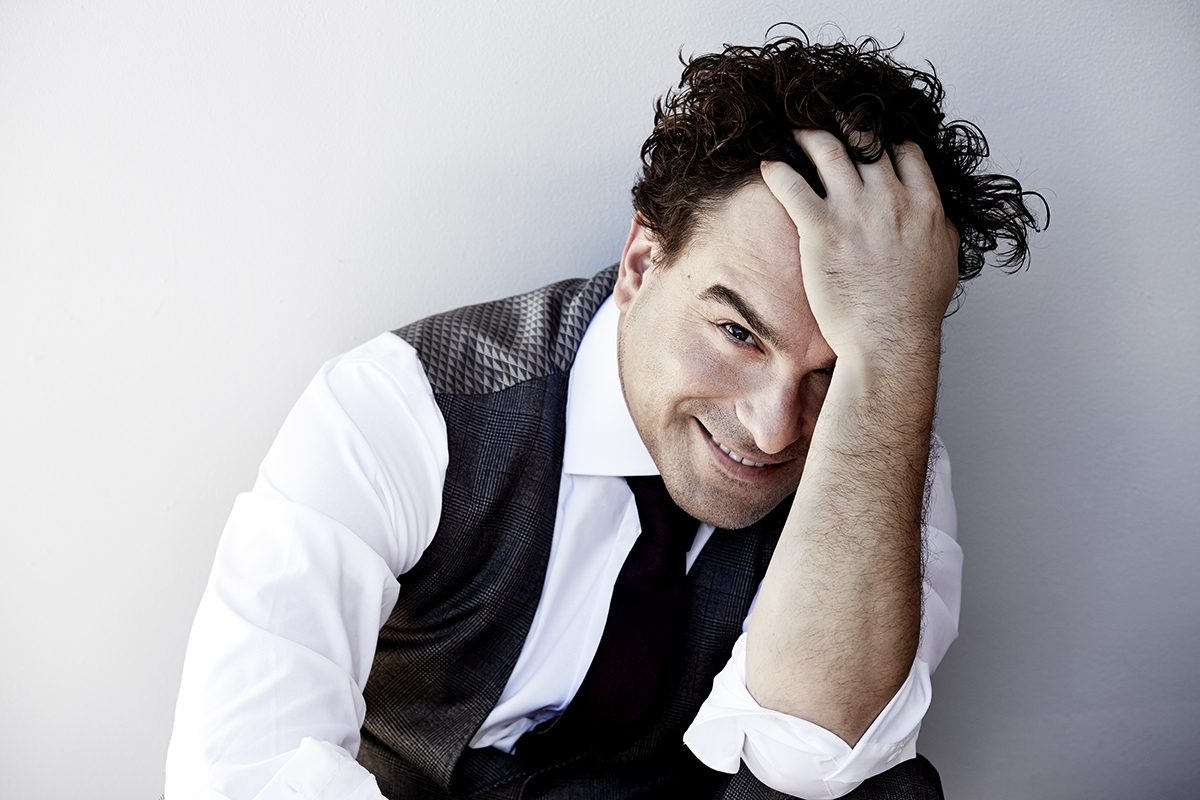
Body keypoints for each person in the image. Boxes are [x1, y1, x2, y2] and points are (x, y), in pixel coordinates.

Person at [164, 29, 1044, 800]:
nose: (776, 427)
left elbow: (816, 760)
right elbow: (243, 768)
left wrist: (889, 354)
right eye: (738, 333)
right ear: (641, 261)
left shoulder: (883, 450)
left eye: (834, 371)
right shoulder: (403, 407)